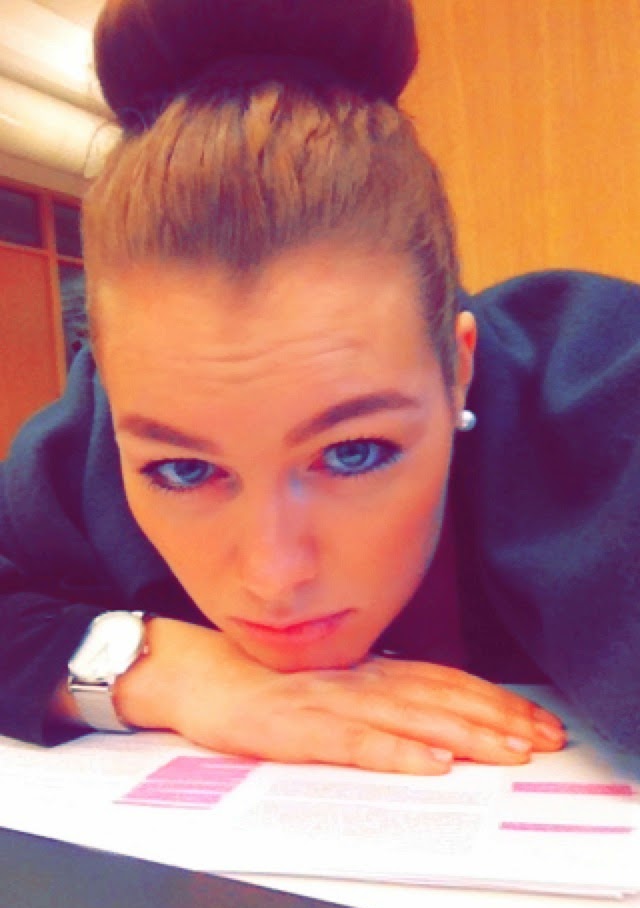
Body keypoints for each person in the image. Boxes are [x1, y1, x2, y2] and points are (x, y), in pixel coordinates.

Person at [0, 0, 638, 772]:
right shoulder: (90, 441)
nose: (273, 577)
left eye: (353, 452)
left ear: (459, 367)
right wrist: (167, 672)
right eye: (185, 470)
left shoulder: (603, 393)